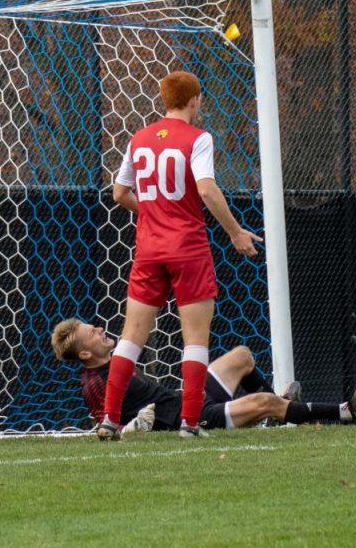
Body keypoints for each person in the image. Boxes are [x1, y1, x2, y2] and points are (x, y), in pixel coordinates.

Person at [101, 70, 262, 440]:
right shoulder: (198, 138)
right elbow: (206, 190)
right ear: (195, 100)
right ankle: (190, 423)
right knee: (194, 339)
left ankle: (109, 419)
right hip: (188, 248)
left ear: (163, 100)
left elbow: (120, 194)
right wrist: (235, 231)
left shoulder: (139, 139)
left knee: (130, 338)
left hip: (149, 249)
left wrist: (155, 212)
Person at [52, 319, 356, 431]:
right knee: (263, 401)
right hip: (193, 419)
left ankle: (278, 415)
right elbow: (107, 427)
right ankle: (346, 412)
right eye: (91, 332)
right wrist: (133, 429)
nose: (98, 328)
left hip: (189, 399)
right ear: (84, 354)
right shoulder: (95, 383)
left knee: (242, 356)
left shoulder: (114, 362)